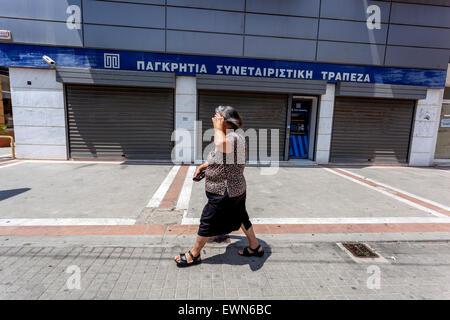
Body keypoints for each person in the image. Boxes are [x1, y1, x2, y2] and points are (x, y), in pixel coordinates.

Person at [174, 106, 264, 267]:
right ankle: (255, 246)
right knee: (241, 216)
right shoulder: (231, 136)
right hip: (236, 189)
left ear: (225, 120)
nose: (214, 119)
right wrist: (203, 166)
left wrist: (217, 127)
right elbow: (220, 157)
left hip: (225, 191)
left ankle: (194, 254)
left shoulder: (232, 138)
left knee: (207, 220)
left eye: (217, 117)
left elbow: (222, 146)